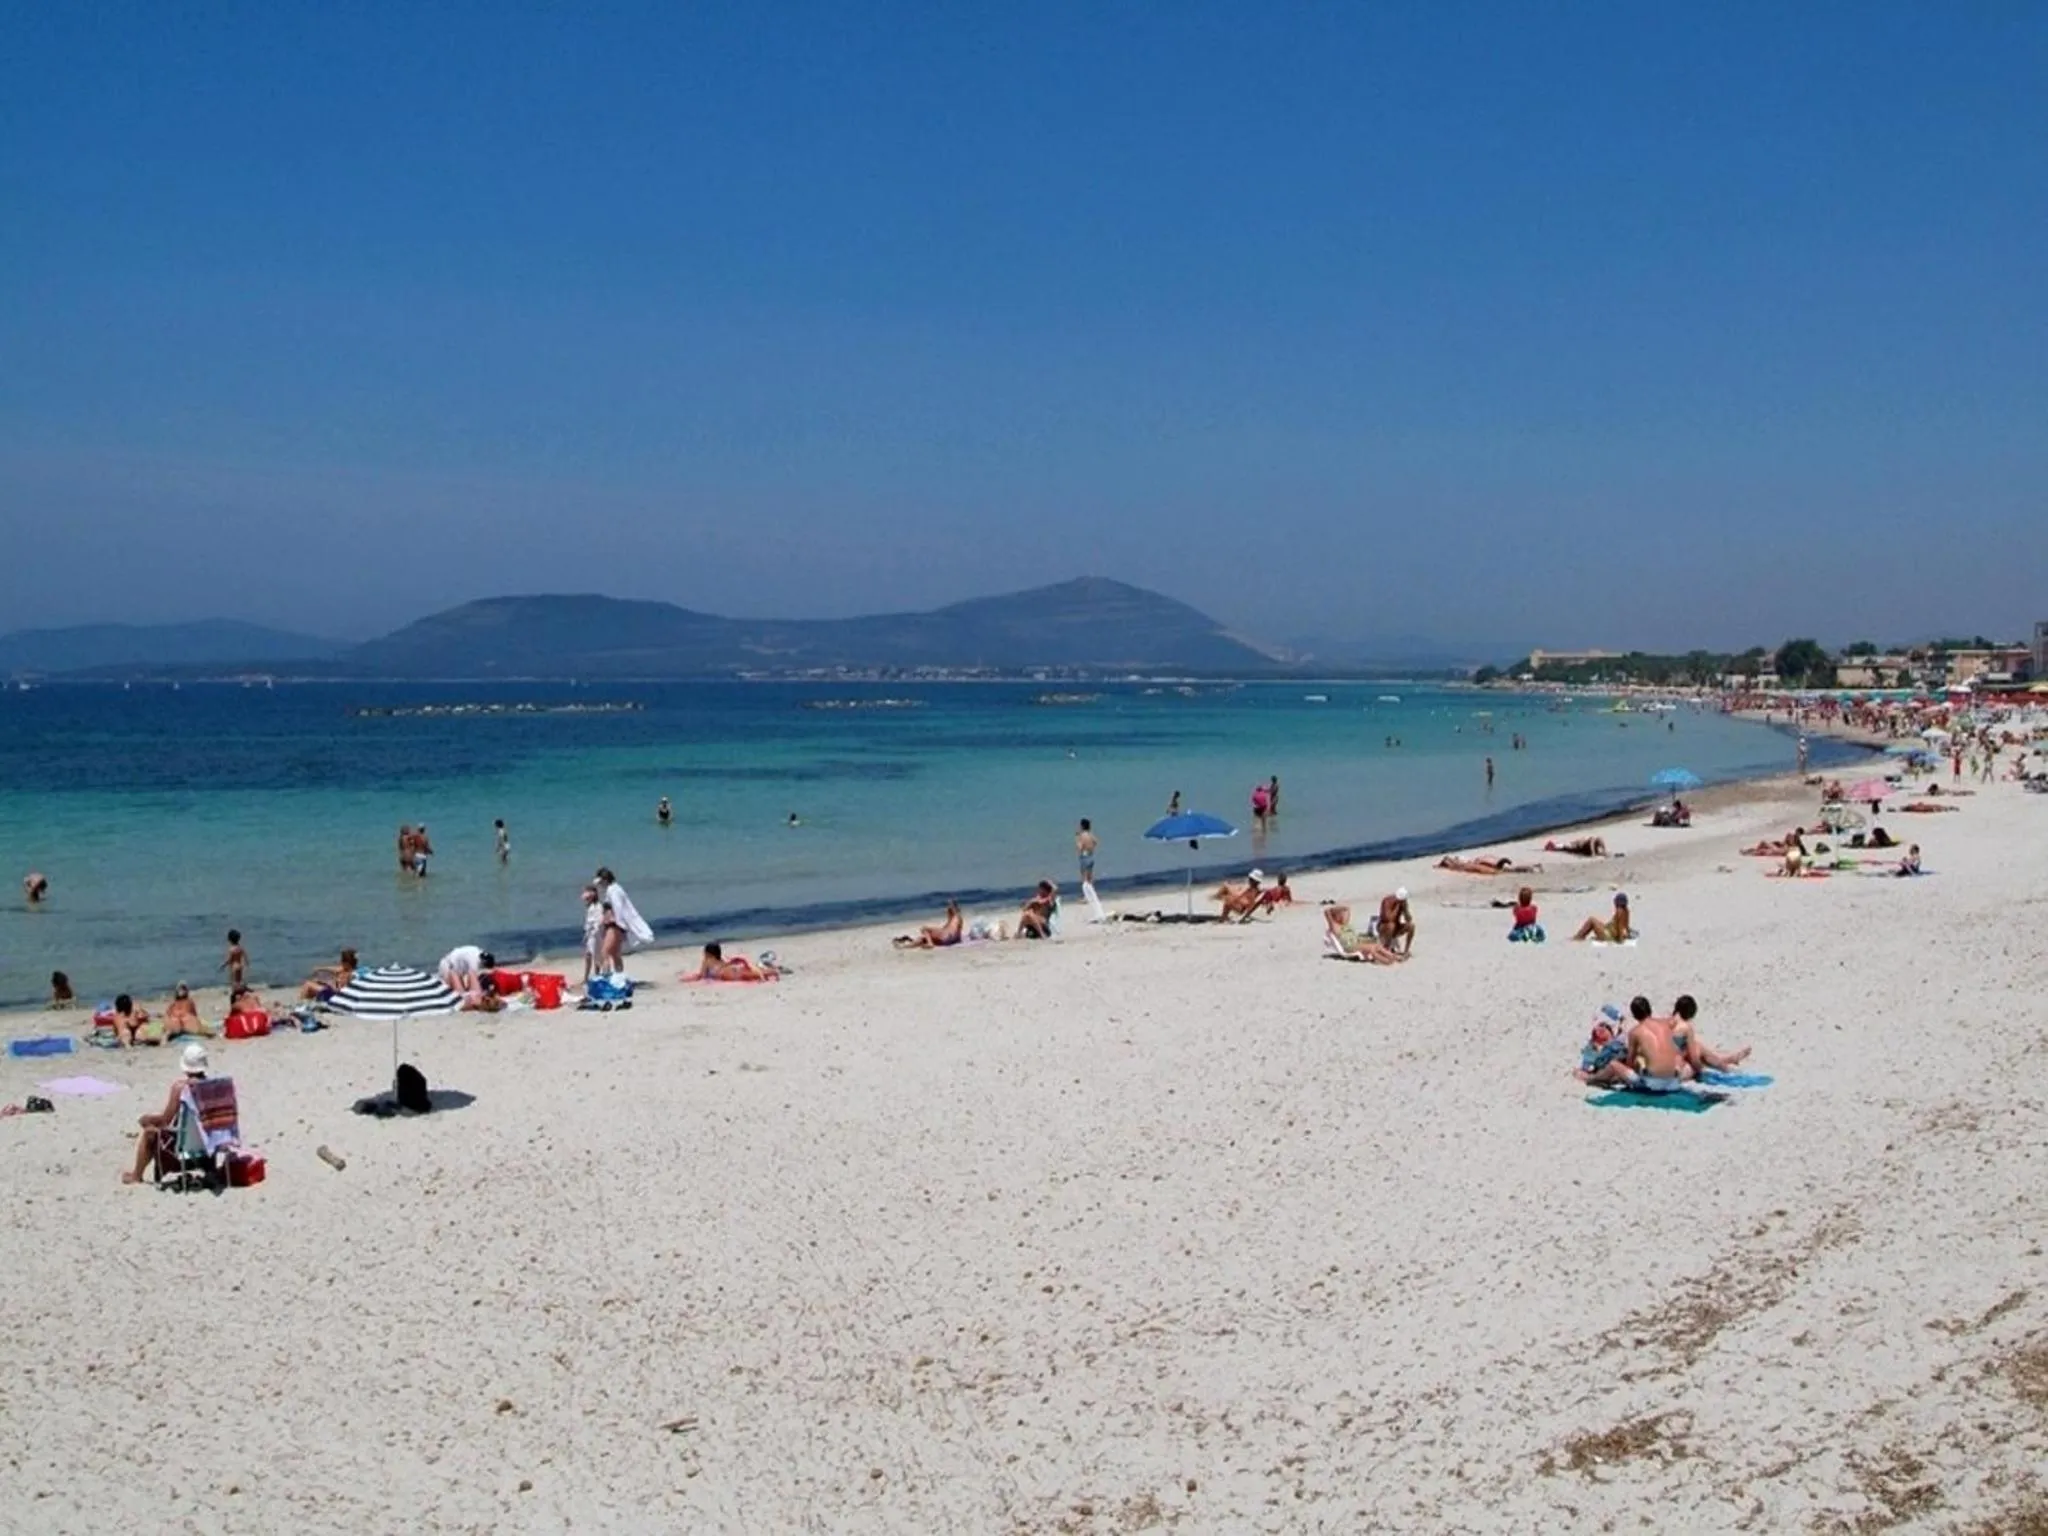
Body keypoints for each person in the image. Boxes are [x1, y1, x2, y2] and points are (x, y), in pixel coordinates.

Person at [124, 1043, 212, 1184]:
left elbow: (165, 1121)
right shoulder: (214, 1086)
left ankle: (136, 1175)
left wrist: (148, 1119)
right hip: (209, 1143)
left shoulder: (180, 1088)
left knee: (149, 1133)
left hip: (185, 1147)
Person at [1669, 995, 1751, 1075]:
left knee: (1695, 1046)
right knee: (1697, 1051)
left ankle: (1726, 1060)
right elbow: (1694, 1060)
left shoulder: (1666, 1023)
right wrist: (1701, 1069)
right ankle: (1725, 1065)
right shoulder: (1685, 1027)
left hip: (1663, 1066)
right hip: (1675, 1073)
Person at [1322, 903, 1407, 964]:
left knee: (1377, 945)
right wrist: (1334, 910)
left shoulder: (1345, 924)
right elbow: (1326, 912)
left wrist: (1339, 908)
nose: (1342, 916)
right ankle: (1387, 961)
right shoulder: (1335, 926)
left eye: (1341, 914)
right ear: (1335, 917)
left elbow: (1347, 908)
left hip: (1357, 941)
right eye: (1339, 915)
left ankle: (1393, 957)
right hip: (1350, 945)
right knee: (1372, 948)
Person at [681, 941, 782, 981]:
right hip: (729, 968)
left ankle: (771, 972)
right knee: (746, 974)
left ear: (708, 953)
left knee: (744, 976)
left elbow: (701, 975)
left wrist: (687, 979)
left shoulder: (707, 960)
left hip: (723, 972)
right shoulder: (719, 960)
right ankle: (770, 972)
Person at [894, 899, 964, 949]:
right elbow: (957, 932)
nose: (947, 909)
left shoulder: (955, 917)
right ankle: (905, 947)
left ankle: (930, 944)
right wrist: (957, 940)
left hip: (947, 937)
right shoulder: (958, 918)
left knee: (925, 929)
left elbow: (949, 931)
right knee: (923, 939)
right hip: (950, 939)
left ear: (953, 908)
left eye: (949, 906)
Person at [1377, 888, 1416, 956]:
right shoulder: (1387, 901)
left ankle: (1406, 950)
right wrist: (1397, 907)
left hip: (1395, 927)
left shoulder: (1402, 904)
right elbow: (1388, 918)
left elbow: (1409, 919)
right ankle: (1387, 948)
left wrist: (1405, 910)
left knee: (1411, 926)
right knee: (1391, 925)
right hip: (1383, 927)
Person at [580, 886, 605, 982]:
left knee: (595, 955)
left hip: (595, 934)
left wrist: (593, 933)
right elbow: (589, 923)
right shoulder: (590, 906)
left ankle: (596, 975)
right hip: (591, 934)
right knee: (589, 955)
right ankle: (587, 977)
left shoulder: (598, 906)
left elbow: (598, 922)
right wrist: (586, 935)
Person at [1436, 854, 1538, 875]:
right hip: (1479, 863)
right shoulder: (1462, 865)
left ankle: (1530, 868)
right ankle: (1531, 868)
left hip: (1479, 863)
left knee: (1509, 869)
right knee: (1510, 869)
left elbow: (1448, 859)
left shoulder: (1462, 865)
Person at [1076, 819, 1098, 885]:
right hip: (1091, 856)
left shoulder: (1082, 836)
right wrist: (1091, 847)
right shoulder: (1091, 835)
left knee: (1084, 878)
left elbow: (1080, 847)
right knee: (1090, 878)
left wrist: (1077, 839)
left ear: (1082, 826)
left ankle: (1086, 893)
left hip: (1084, 856)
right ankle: (1091, 891)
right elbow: (1095, 842)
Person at [1544, 836, 1609, 858]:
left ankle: (1554, 845)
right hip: (1578, 846)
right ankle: (1552, 845)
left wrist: (1604, 852)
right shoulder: (1593, 840)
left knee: (1566, 847)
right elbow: (1592, 847)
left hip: (1582, 847)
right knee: (1566, 847)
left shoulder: (1599, 841)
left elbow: (1603, 847)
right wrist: (1593, 854)